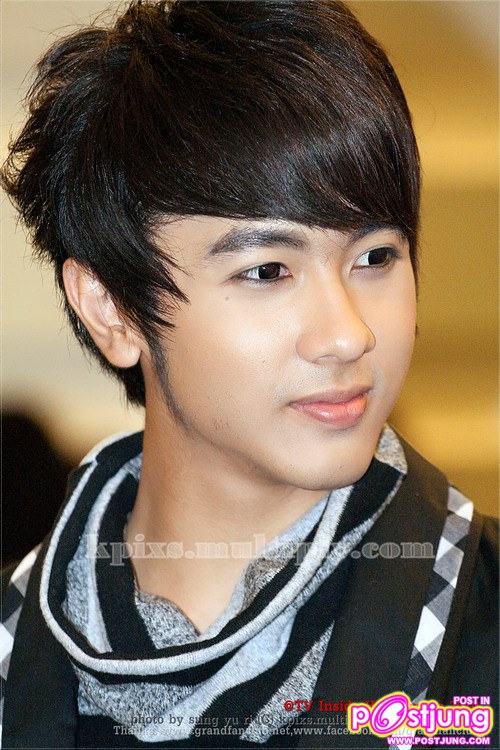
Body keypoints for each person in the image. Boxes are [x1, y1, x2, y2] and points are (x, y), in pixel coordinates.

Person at [0, 1, 497, 748]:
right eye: (268, 270)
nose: (348, 334)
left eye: (375, 258)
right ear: (112, 310)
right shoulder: (17, 658)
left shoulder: (477, 625)